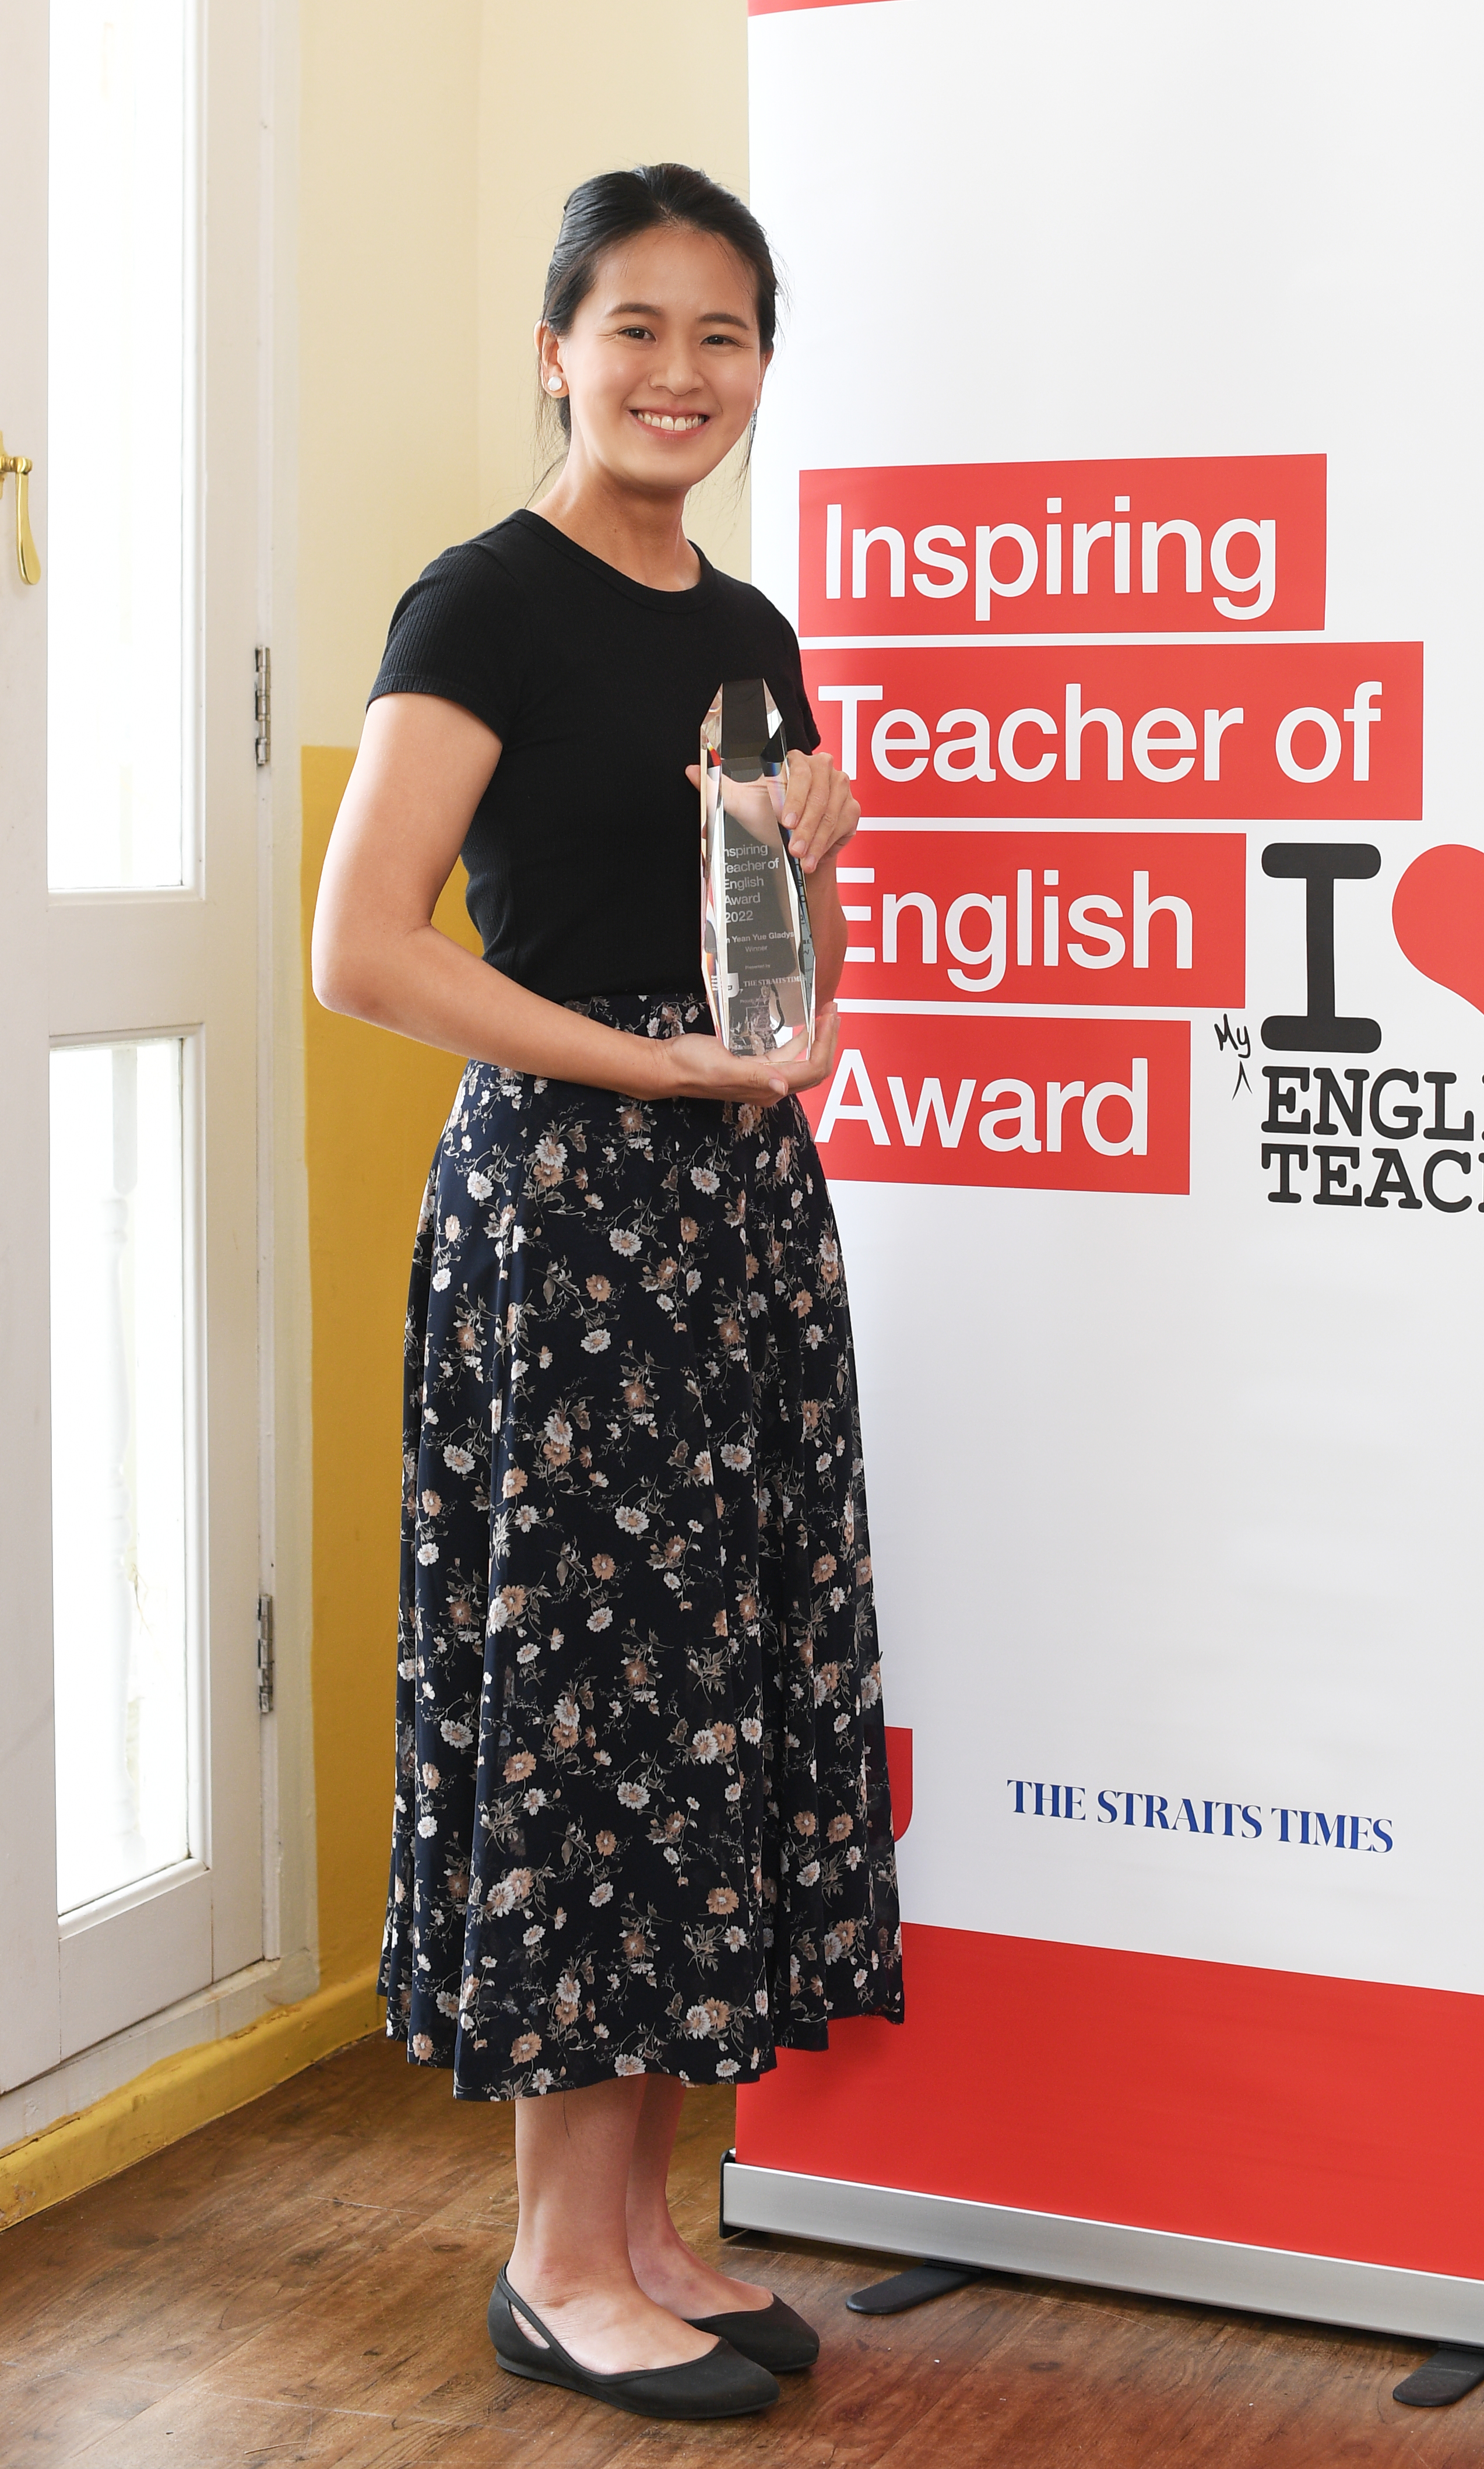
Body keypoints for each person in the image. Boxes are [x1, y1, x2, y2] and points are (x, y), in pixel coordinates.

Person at [313, 163, 903, 2423]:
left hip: (737, 1214)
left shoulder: (742, 629)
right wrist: (648, 1065)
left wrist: (804, 911)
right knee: (596, 1716)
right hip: (569, 1228)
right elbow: (365, 950)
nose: (677, 374)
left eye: (721, 336)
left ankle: (654, 2224)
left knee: (703, 1713)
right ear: (552, 344)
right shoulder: (481, 601)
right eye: (631, 327)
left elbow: (741, 955)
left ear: (764, 369)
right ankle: (559, 2257)